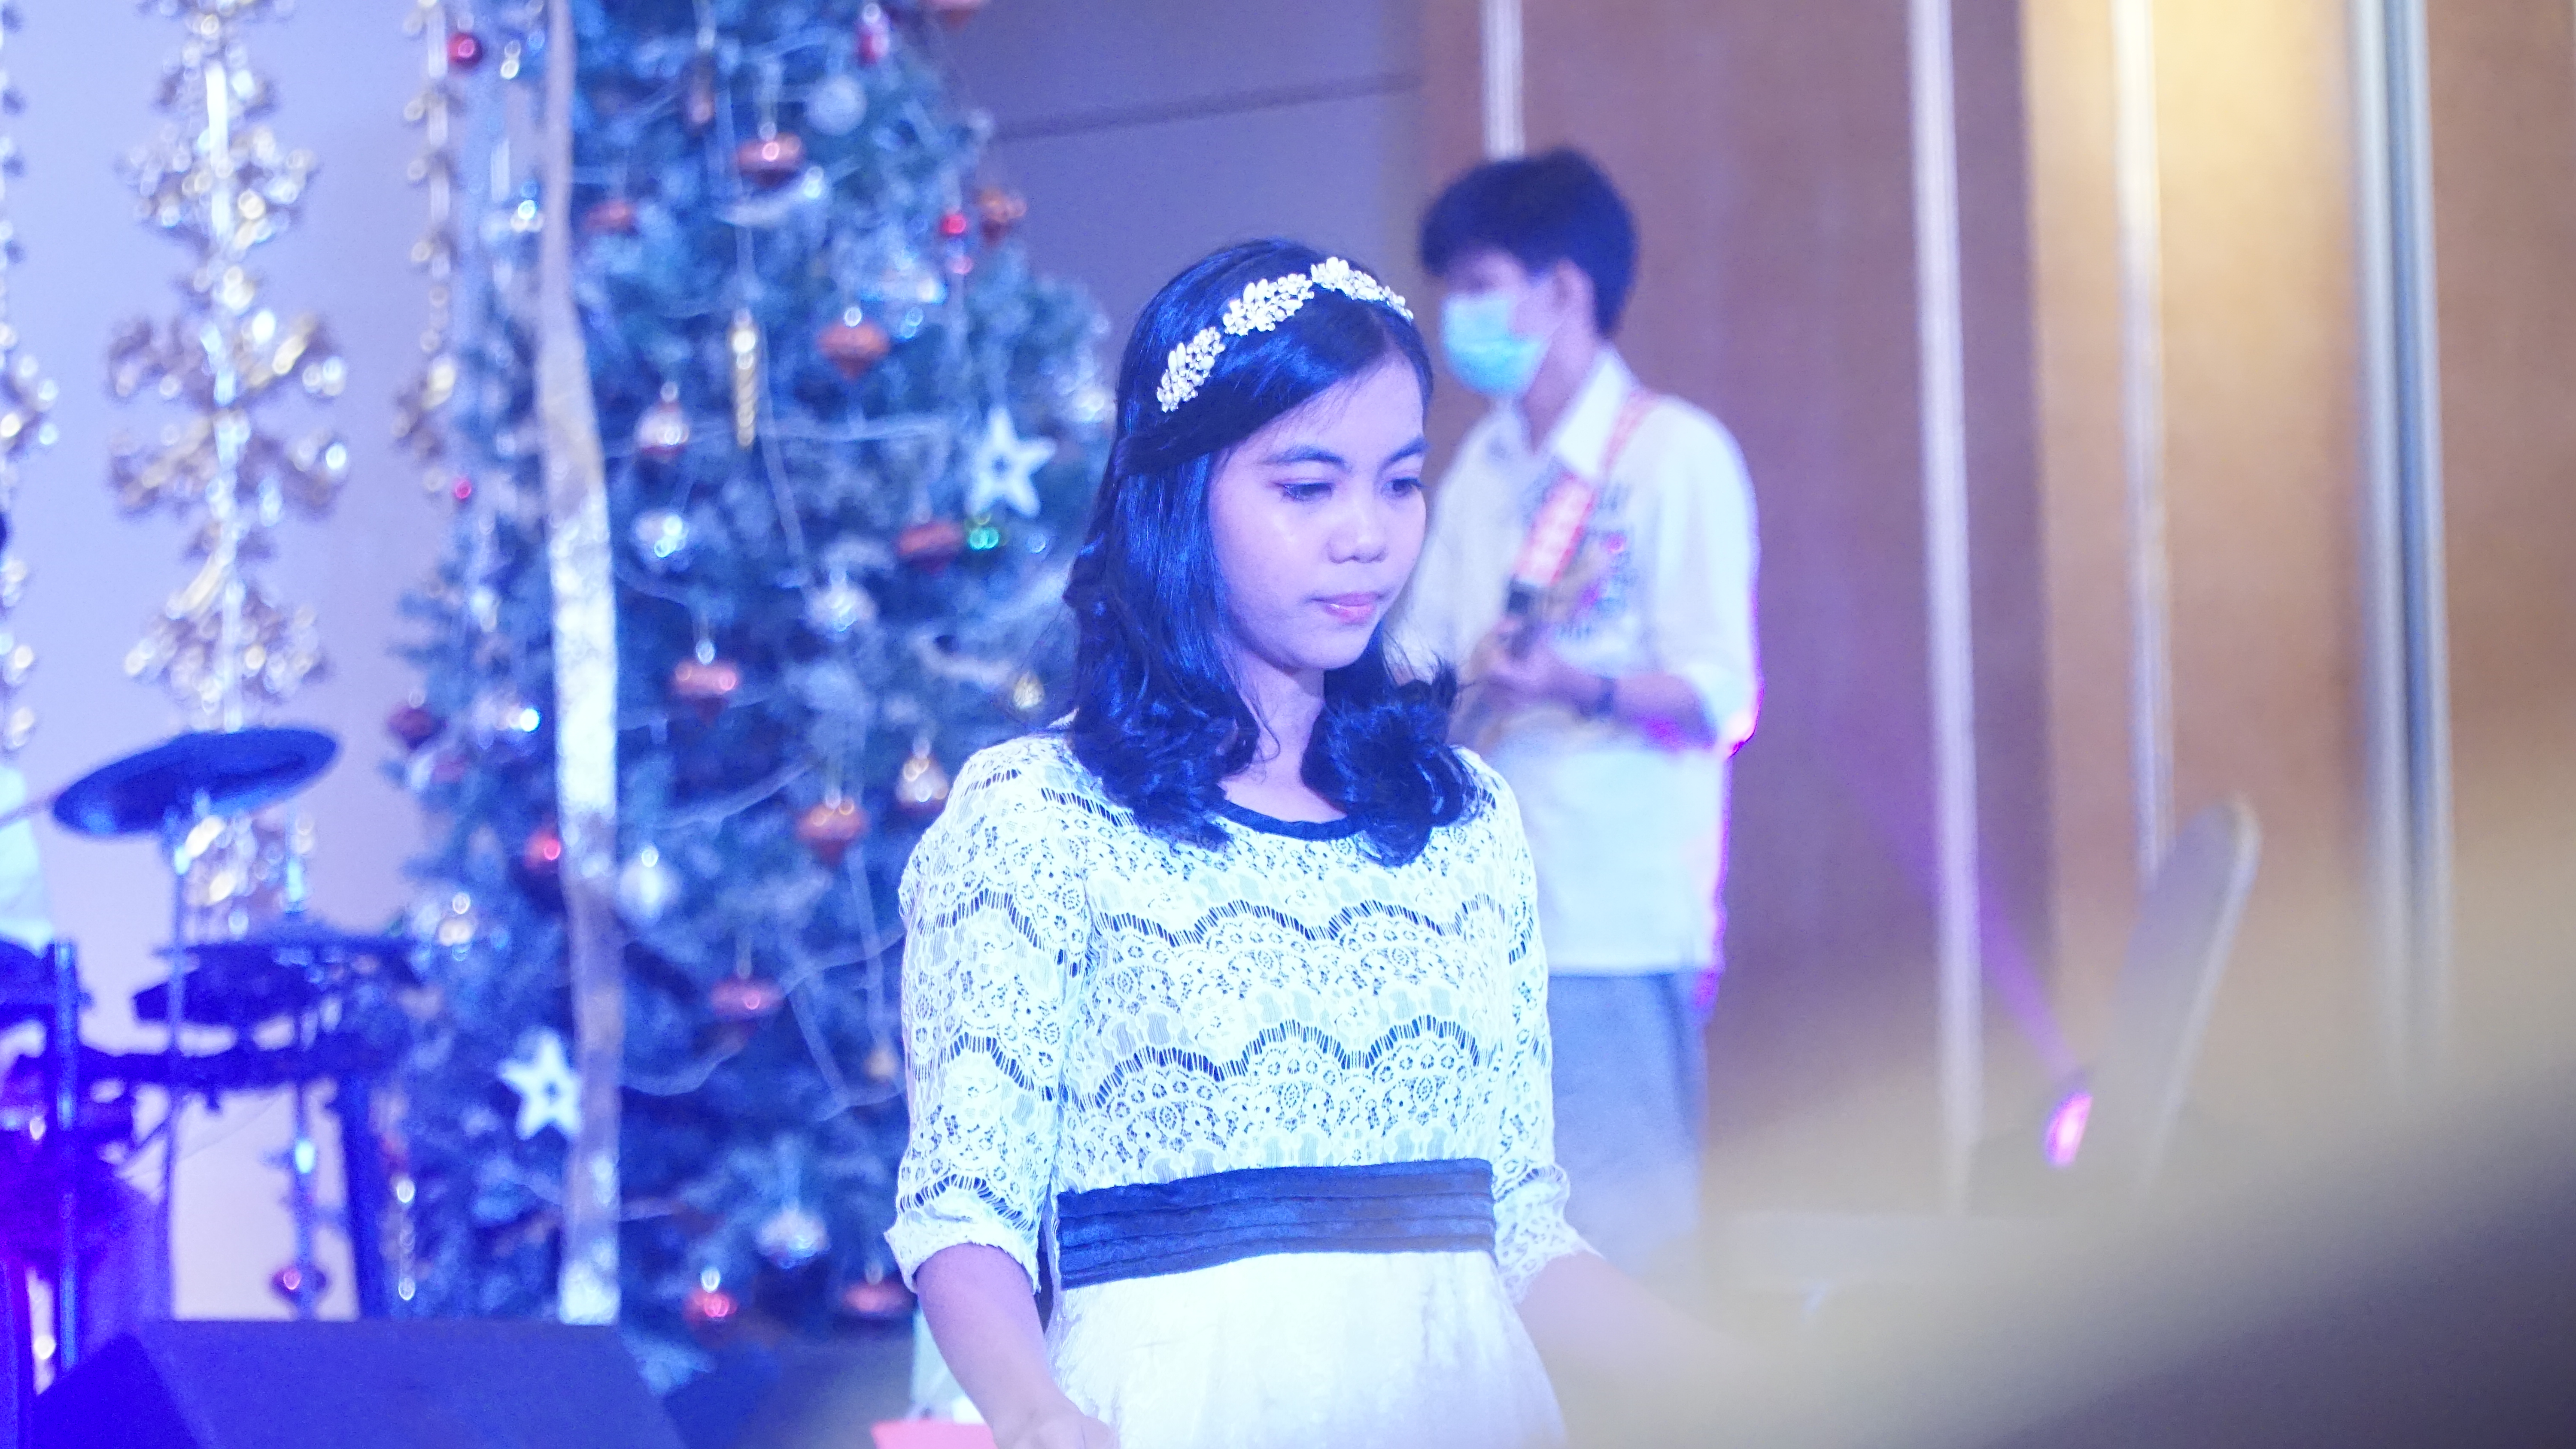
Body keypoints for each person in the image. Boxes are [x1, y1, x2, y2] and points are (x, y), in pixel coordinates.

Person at [887, 239, 1709, 1449]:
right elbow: (966, 1210)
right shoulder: (1039, 814)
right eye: (1309, 487)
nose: (1367, 535)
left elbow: (1523, 1229)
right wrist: (1033, 1413)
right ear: (1181, 494)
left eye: (1400, 482)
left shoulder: (1462, 817)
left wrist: (1753, 1382)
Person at [1398, 150, 1760, 1281]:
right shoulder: (1483, 462)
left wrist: (1577, 686)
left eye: (1481, 283)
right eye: (1455, 289)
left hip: (1613, 917)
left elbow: (1721, 694)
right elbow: (1421, 655)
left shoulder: (1672, 455)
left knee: (1628, 1248)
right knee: (1513, 1257)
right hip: (1486, 917)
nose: (1460, 315)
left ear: (1564, 288)